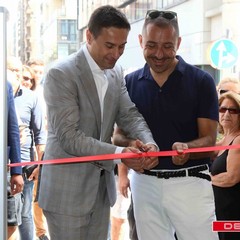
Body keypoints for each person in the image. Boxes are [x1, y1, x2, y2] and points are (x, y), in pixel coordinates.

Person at [38, 5, 158, 240]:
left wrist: (149, 142)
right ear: (89, 36)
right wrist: (121, 153)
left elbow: (129, 114)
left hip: (101, 192)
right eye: (110, 46)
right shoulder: (61, 74)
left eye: (122, 46)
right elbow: (69, 137)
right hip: (66, 194)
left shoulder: (116, 73)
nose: (116, 54)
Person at [113, 10, 219, 240]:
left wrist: (188, 150)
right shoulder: (129, 83)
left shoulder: (201, 81)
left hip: (190, 182)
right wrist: (133, 146)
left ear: (178, 43)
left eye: (167, 46)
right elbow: (118, 137)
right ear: (140, 41)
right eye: (151, 45)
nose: (159, 54)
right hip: (144, 184)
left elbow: (210, 141)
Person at [7, 56, 47, 240]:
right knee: (9, 218)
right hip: (6, 166)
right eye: (14, 72)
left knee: (24, 214)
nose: (19, 77)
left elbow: (40, 135)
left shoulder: (31, 98)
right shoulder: (5, 94)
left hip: (24, 167)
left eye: (20, 73)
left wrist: (39, 165)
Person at [211, 91, 240, 240]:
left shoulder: (238, 140)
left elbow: (231, 177)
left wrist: (204, 180)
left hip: (234, 217)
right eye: (222, 109)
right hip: (220, 215)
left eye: (233, 110)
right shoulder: (222, 141)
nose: (226, 113)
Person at [25, 60, 49, 240]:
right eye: (35, 71)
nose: (38, 75)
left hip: (43, 149)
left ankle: (41, 232)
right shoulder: (21, 97)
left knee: (38, 192)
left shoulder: (44, 93)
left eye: (41, 71)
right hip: (26, 152)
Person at [7, 80, 24, 240]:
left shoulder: (5, 85)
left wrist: (16, 170)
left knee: (10, 221)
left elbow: (12, 129)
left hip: (4, 168)